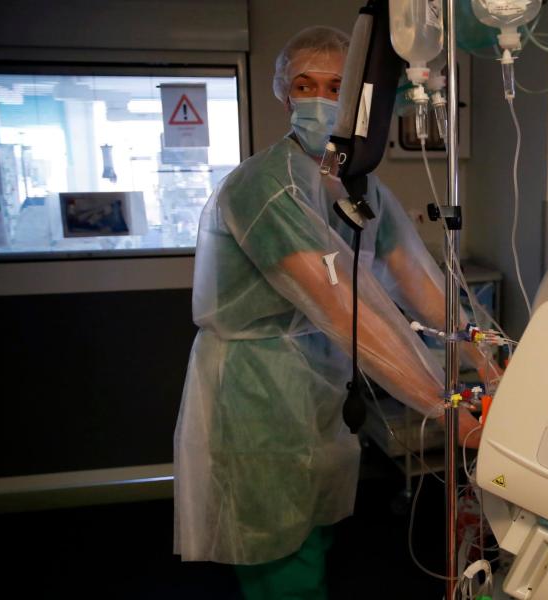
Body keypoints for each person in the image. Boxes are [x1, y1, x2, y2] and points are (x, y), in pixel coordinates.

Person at [173, 25, 495, 599]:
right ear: (284, 94)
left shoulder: (357, 186)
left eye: (335, 86)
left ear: (356, 97)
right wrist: (445, 406)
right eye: (305, 85)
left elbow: (421, 284)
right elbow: (343, 308)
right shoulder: (266, 189)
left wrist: (493, 360)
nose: (320, 98)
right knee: (277, 547)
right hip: (256, 395)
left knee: (313, 529)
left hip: (316, 385)